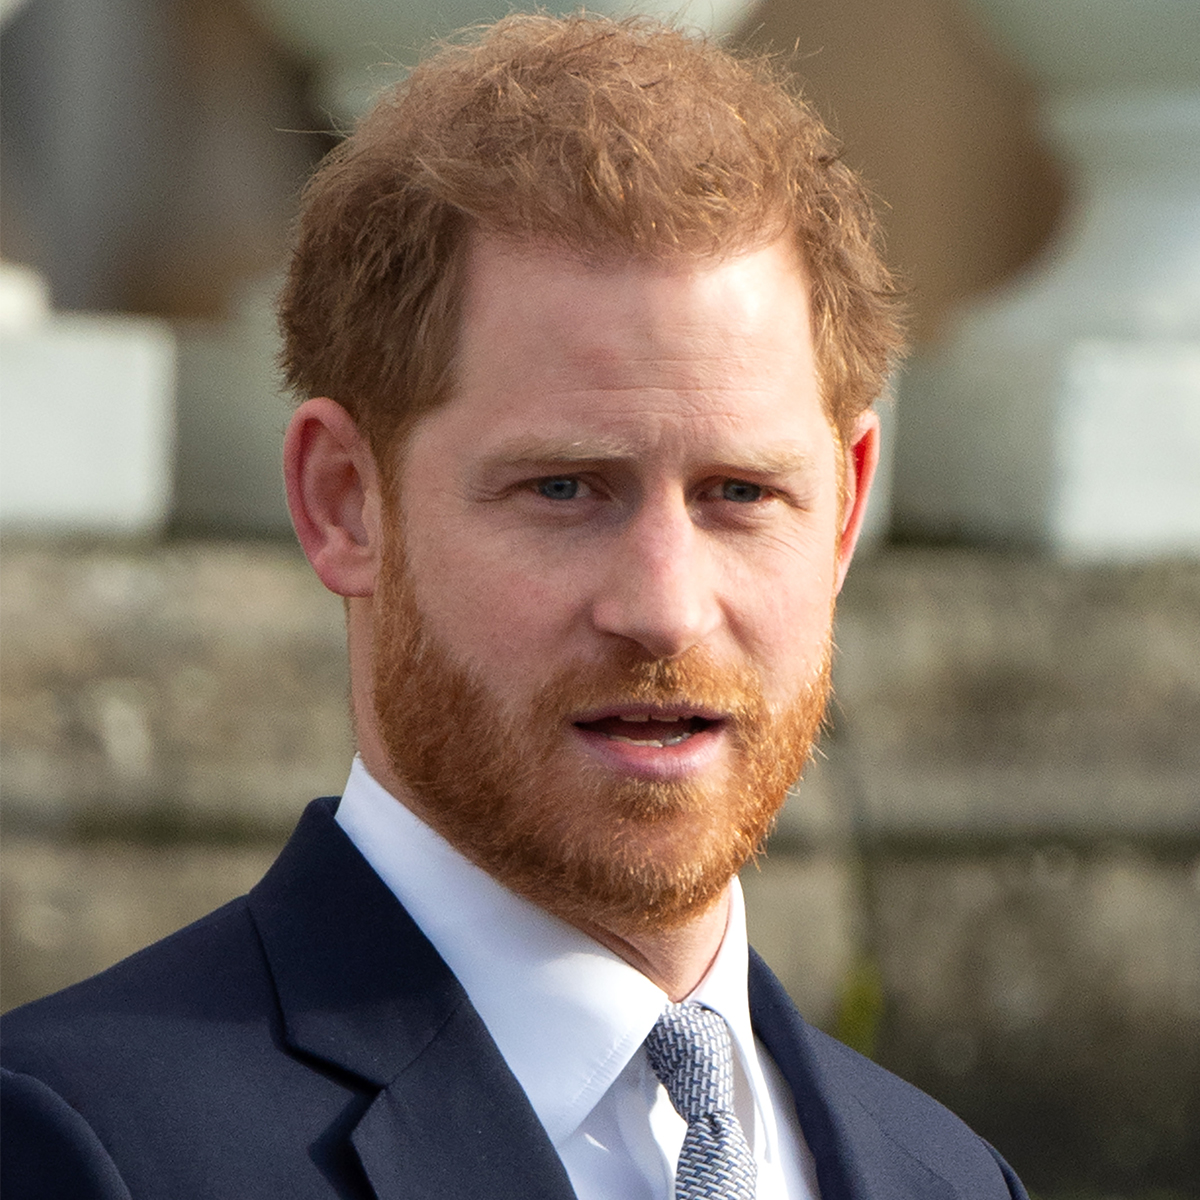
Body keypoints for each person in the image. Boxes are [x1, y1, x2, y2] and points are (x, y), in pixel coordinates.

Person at [1, 14, 1028, 1199]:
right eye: (563, 488)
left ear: (845, 510)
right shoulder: (83, 1149)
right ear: (346, 504)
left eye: (740, 493)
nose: (665, 607)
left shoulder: (954, 1178)